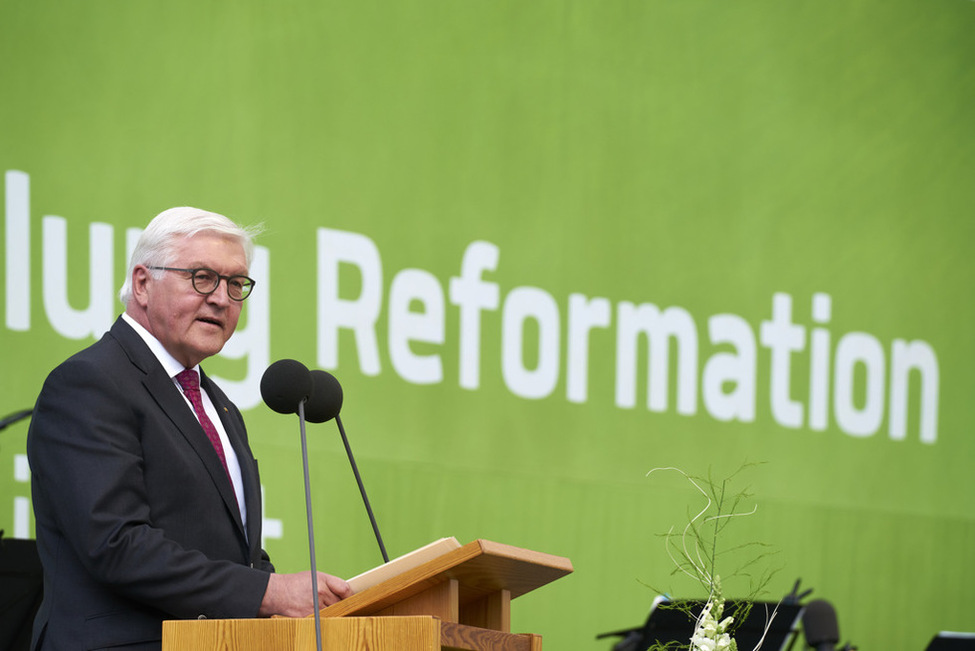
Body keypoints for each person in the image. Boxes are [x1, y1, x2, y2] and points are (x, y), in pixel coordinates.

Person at [26, 207, 352, 650]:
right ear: (143, 283)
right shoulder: (91, 382)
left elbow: (231, 554)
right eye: (202, 277)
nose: (221, 298)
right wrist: (269, 593)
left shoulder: (219, 405)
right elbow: (115, 543)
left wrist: (300, 598)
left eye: (236, 284)